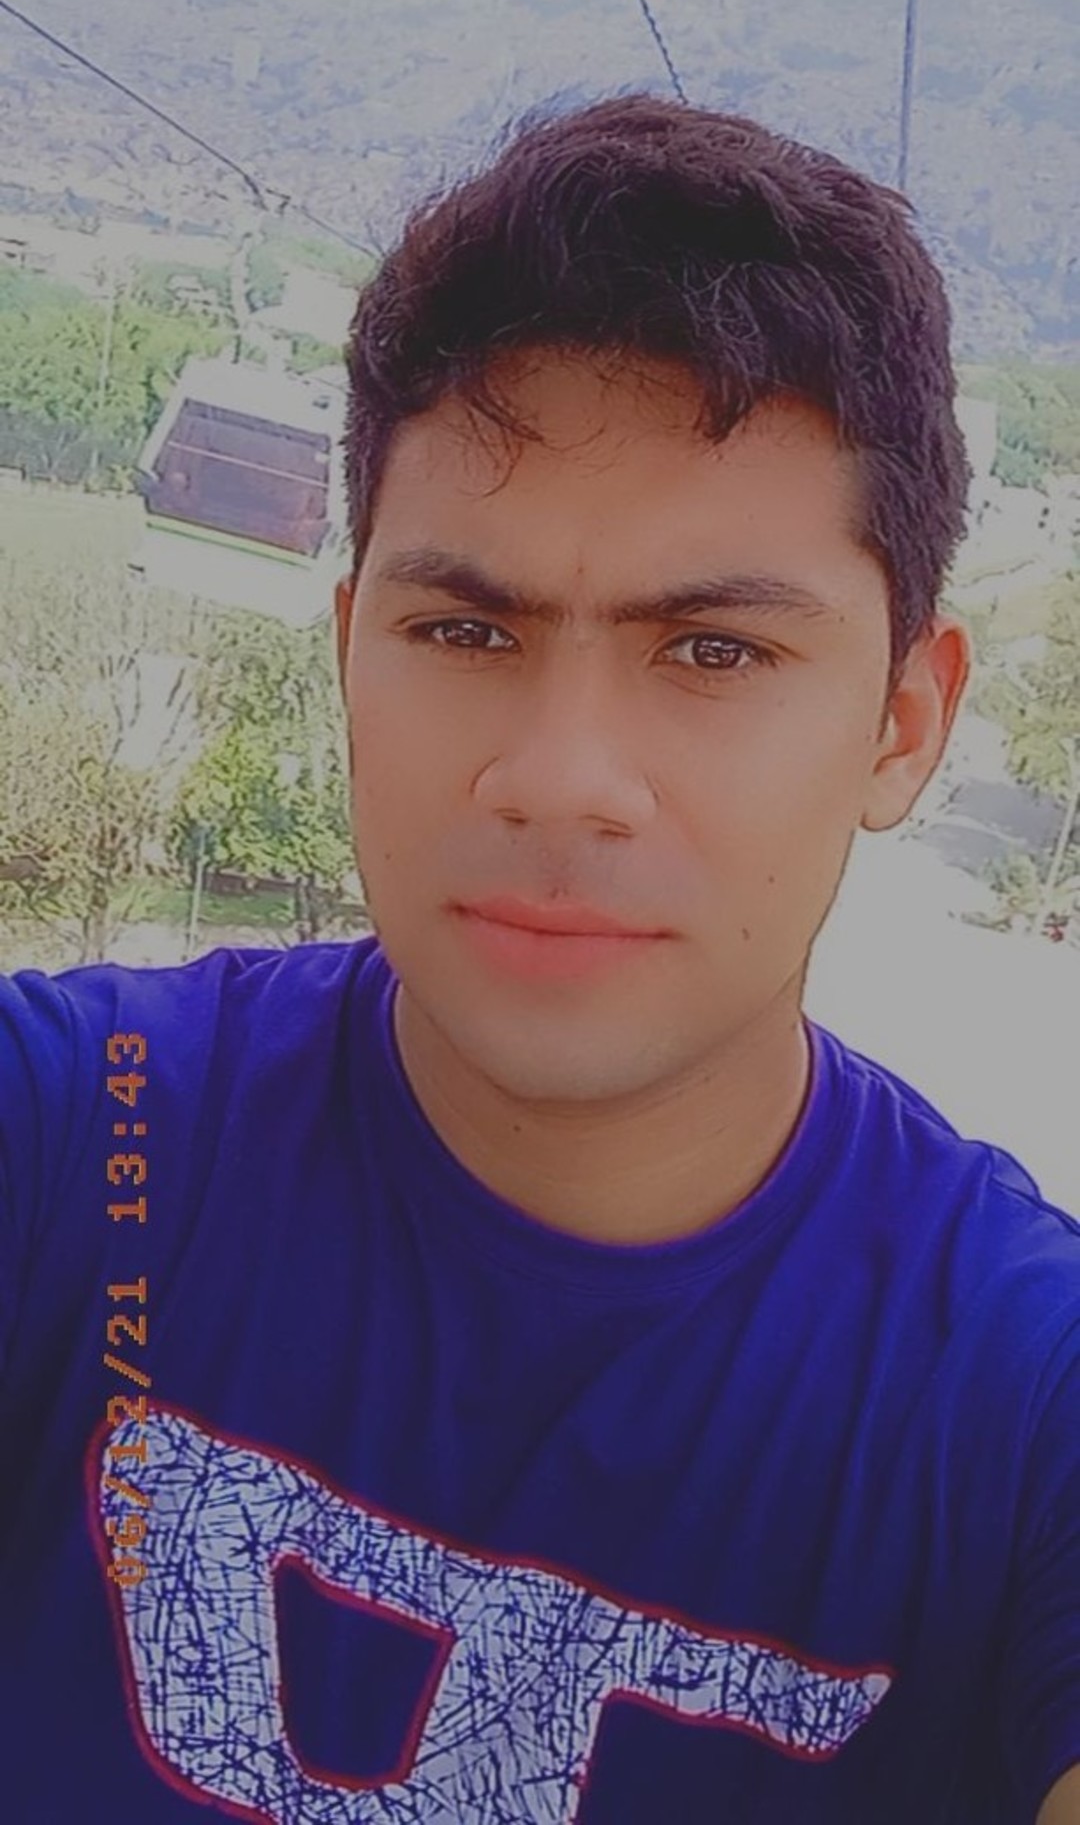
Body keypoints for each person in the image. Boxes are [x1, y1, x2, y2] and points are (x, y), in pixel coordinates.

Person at [1, 92, 1078, 1824]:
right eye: (464, 628)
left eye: (714, 652)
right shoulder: (78, 1140)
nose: (562, 777)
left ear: (904, 724)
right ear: (349, 652)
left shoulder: (1018, 1408)